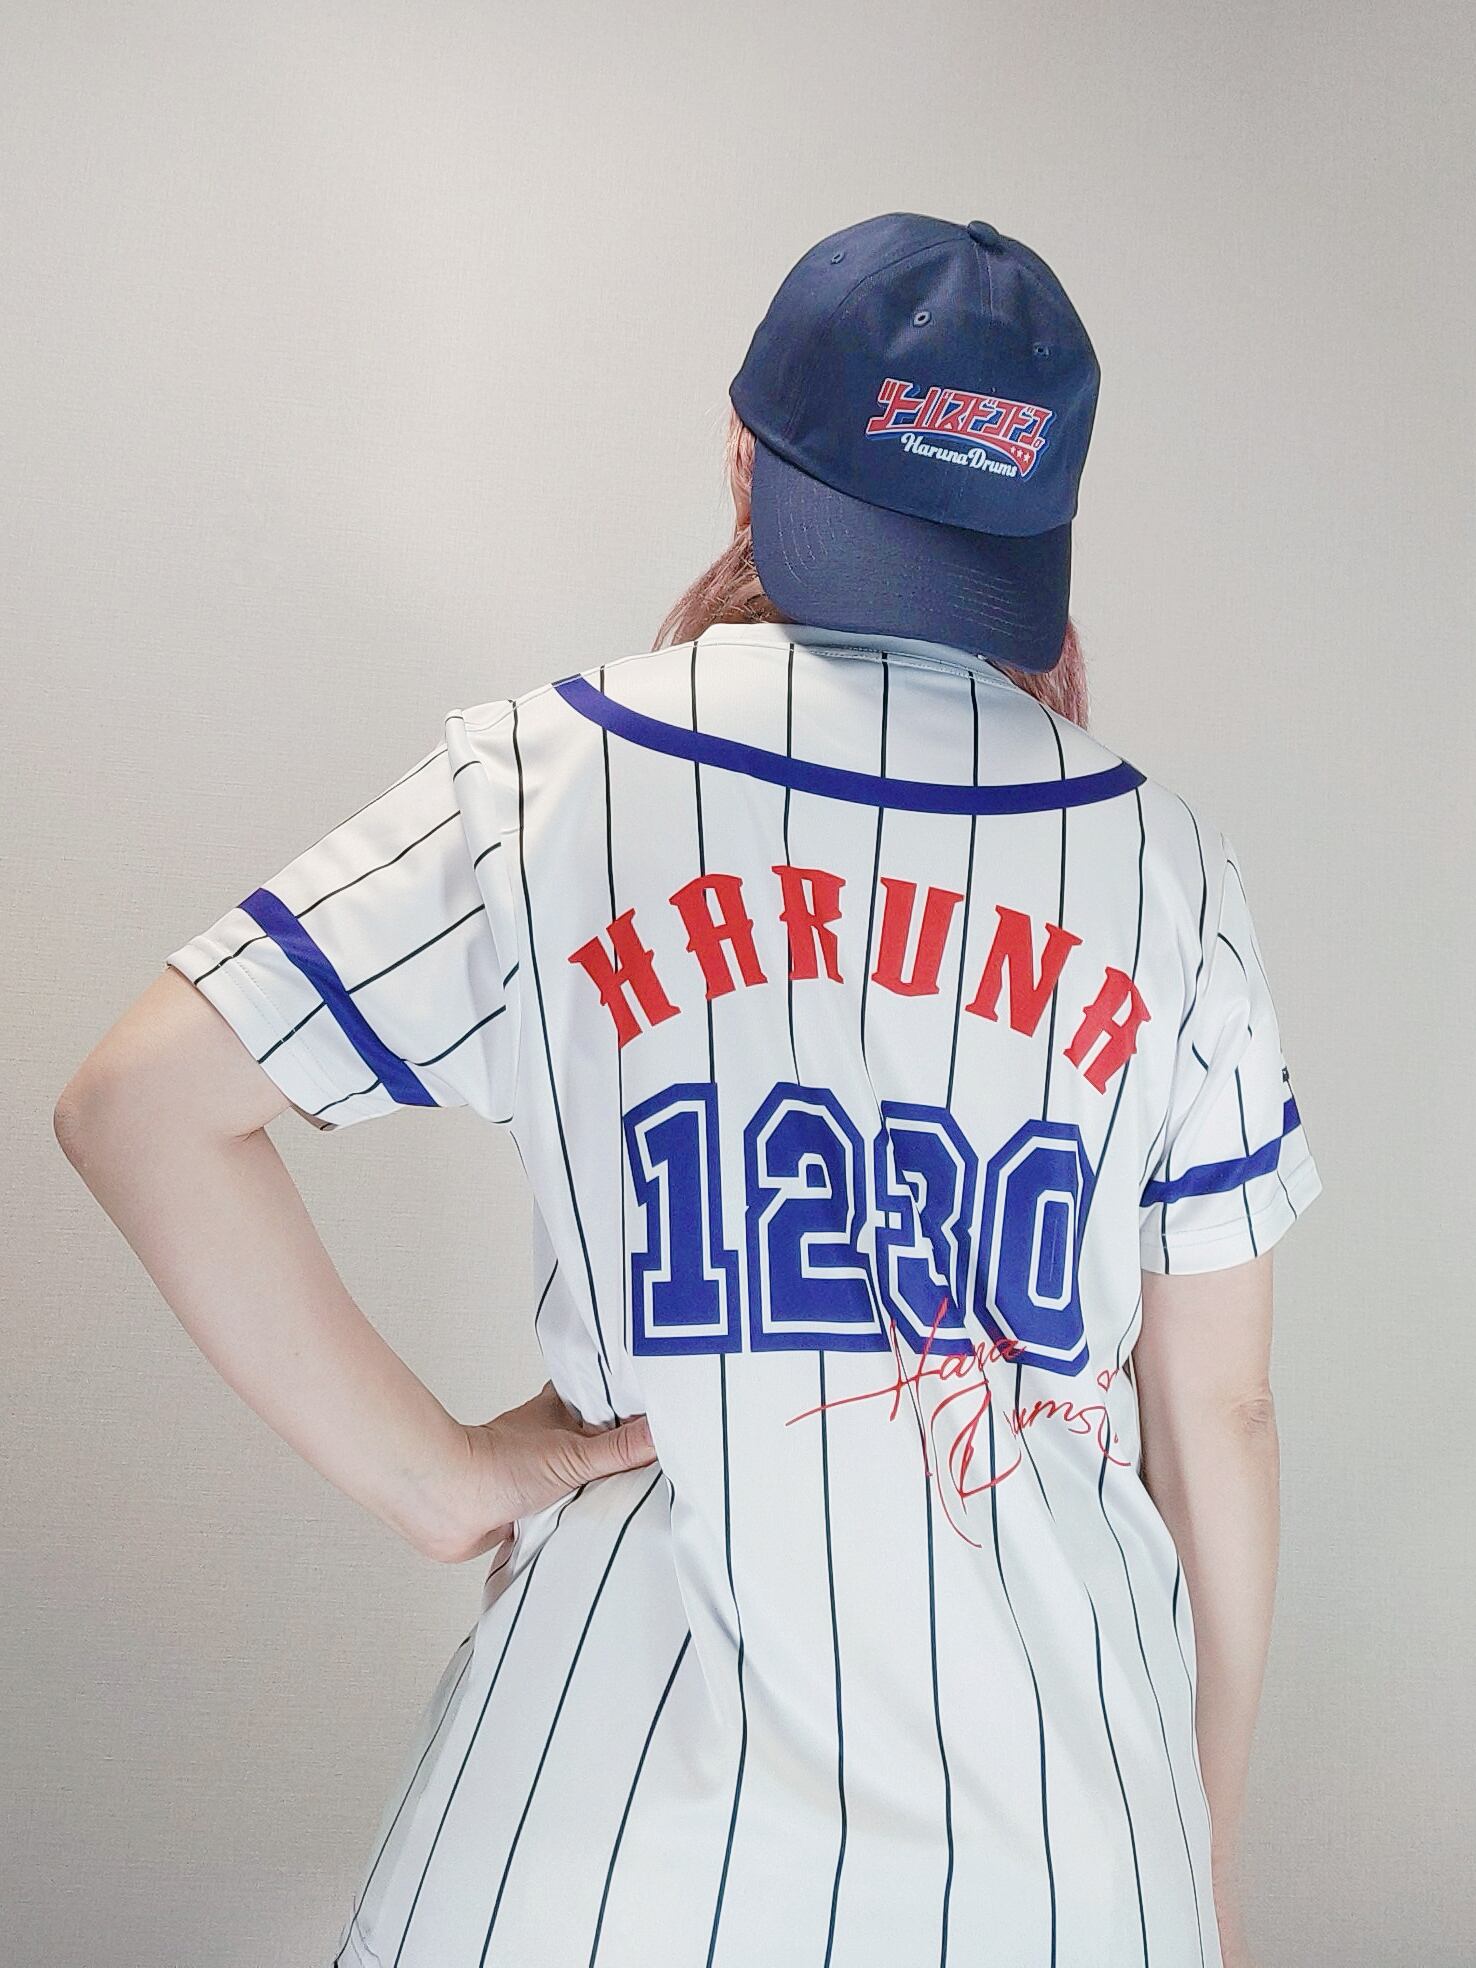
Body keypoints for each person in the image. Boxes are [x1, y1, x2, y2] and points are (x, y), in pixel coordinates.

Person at [55, 212, 1321, 1968]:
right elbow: (1219, 1414)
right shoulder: (1164, 872)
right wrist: (1202, 1845)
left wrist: (433, 1479)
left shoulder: (549, 777)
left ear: (745, 454)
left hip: (591, 1836)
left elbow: (136, 1107)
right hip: (1053, 1851)